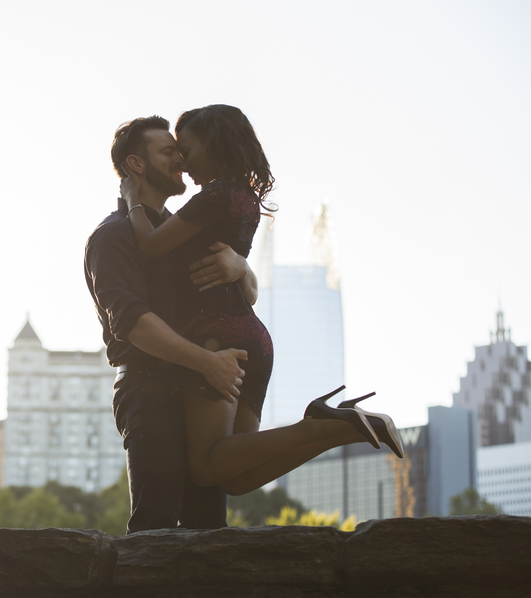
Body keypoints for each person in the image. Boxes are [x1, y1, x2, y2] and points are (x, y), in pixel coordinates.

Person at [121, 105, 403, 497]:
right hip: (253, 339)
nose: (183, 164)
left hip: (216, 338)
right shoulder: (245, 199)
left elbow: (150, 247)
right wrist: (241, 266)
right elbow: (238, 274)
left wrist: (133, 200)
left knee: (206, 467)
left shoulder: (214, 195)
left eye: (187, 149)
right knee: (236, 477)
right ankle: (332, 429)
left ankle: (318, 426)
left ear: (213, 144)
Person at [84, 115, 258, 533]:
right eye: (169, 152)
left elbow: (243, 295)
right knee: (156, 528)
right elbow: (133, 324)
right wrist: (206, 362)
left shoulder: (180, 232)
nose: (181, 160)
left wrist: (241, 266)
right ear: (136, 165)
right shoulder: (113, 237)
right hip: (152, 389)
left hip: (201, 386)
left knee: (207, 526)